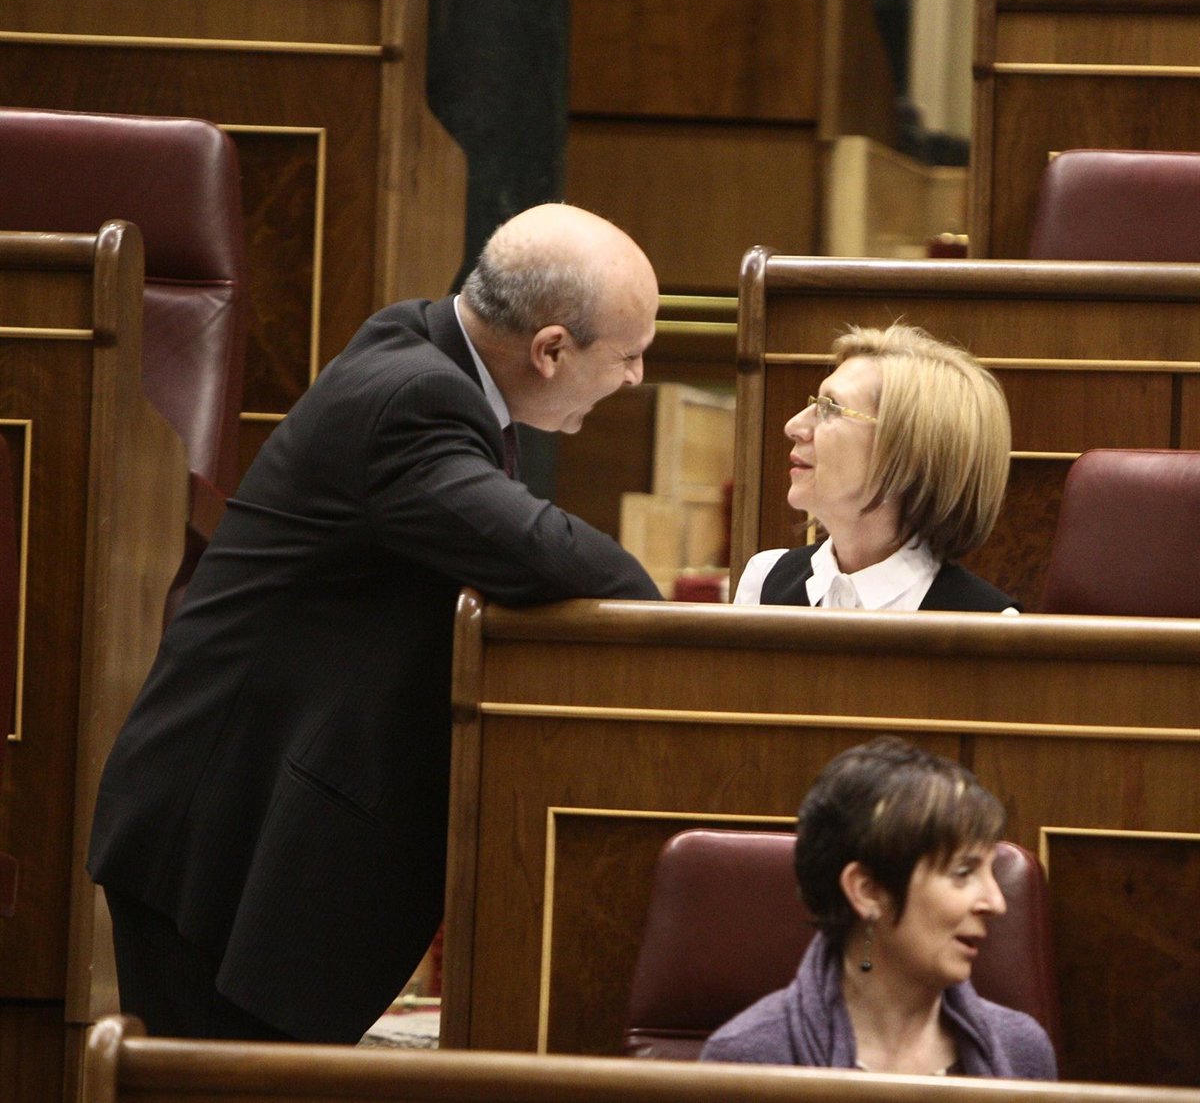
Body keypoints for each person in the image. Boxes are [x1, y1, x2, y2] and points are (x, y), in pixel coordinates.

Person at [87, 203, 664, 1044]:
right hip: (223, 845)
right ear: (550, 350)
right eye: (630, 354)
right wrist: (689, 638)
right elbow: (560, 558)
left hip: (244, 823)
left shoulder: (420, 347)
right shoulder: (413, 400)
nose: (638, 378)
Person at [700, 737, 1057, 1078]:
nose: (996, 903)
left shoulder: (1021, 1051)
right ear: (868, 891)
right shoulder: (746, 1062)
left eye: (991, 871)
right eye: (963, 872)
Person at [734, 323, 1017, 611]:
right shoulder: (765, 580)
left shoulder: (989, 621)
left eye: (829, 407)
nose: (793, 426)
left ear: (909, 448)